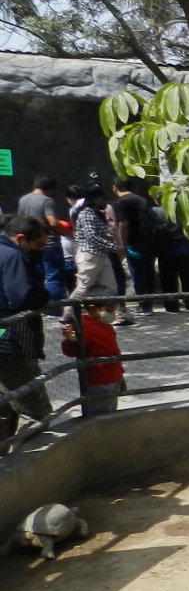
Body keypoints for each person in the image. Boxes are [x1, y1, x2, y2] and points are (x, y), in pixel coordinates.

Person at [0, 215, 54, 441]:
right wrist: (44, 294)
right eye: (37, 245)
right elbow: (22, 297)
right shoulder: (14, 257)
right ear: (21, 238)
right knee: (36, 410)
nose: (38, 250)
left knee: (5, 405)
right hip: (11, 342)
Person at [61, 301, 125, 415]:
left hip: (113, 376)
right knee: (101, 415)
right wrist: (70, 340)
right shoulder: (82, 326)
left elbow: (113, 350)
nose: (113, 314)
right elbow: (70, 351)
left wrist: (121, 375)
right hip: (99, 379)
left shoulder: (103, 323)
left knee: (110, 411)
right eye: (109, 309)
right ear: (93, 308)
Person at [112, 177, 157, 314]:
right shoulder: (142, 200)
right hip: (149, 241)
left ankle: (143, 305)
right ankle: (148, 304)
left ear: (114, 188)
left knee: (138, 274)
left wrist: (122, 244)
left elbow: (123, 224)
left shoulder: (120, 203)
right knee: (149, 273)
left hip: (134, 244)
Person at [17, 176, 67, 302]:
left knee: (36, 275)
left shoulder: (23, 200)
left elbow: (21, 220)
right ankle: (54, 307)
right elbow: (53, 222)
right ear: (50, 189)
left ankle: (39, 303)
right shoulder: (47, 201)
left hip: (30, 244)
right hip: (49, 244)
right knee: (54, 277)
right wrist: (65, 233)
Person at [71, 182, 120, 307]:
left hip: (102, 255)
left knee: (111, 287)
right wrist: (114, 248)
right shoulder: (86, 213)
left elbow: (98, 233)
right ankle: (68, 315)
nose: (103, 201)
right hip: (89, 256)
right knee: (83, 288)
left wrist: (107, 237)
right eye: (101, 198)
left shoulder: (97, 214)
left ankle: (112, 313)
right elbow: (91, 237)